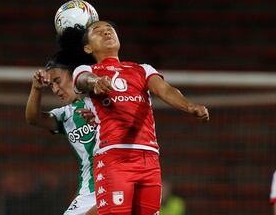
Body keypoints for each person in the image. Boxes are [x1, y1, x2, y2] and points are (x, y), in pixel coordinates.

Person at [71, 20, 209, 214]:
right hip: (114, 156)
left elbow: (165, 90)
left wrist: (190, 106)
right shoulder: (87, 71)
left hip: (149, 158)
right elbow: (82, 81)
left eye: (109, 29)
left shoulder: (142, 69)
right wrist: (96, 82)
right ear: (87, 47)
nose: (106, 32)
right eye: (97, 31)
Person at [25, 29, 98, 215]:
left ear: (75, 74)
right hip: (87, 193)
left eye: (58, 81)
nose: (56, 89)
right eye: (51, 86)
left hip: (112, 183)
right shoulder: (65, 115)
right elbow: (33, 118)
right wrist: (36, 89)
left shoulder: (101, 99)